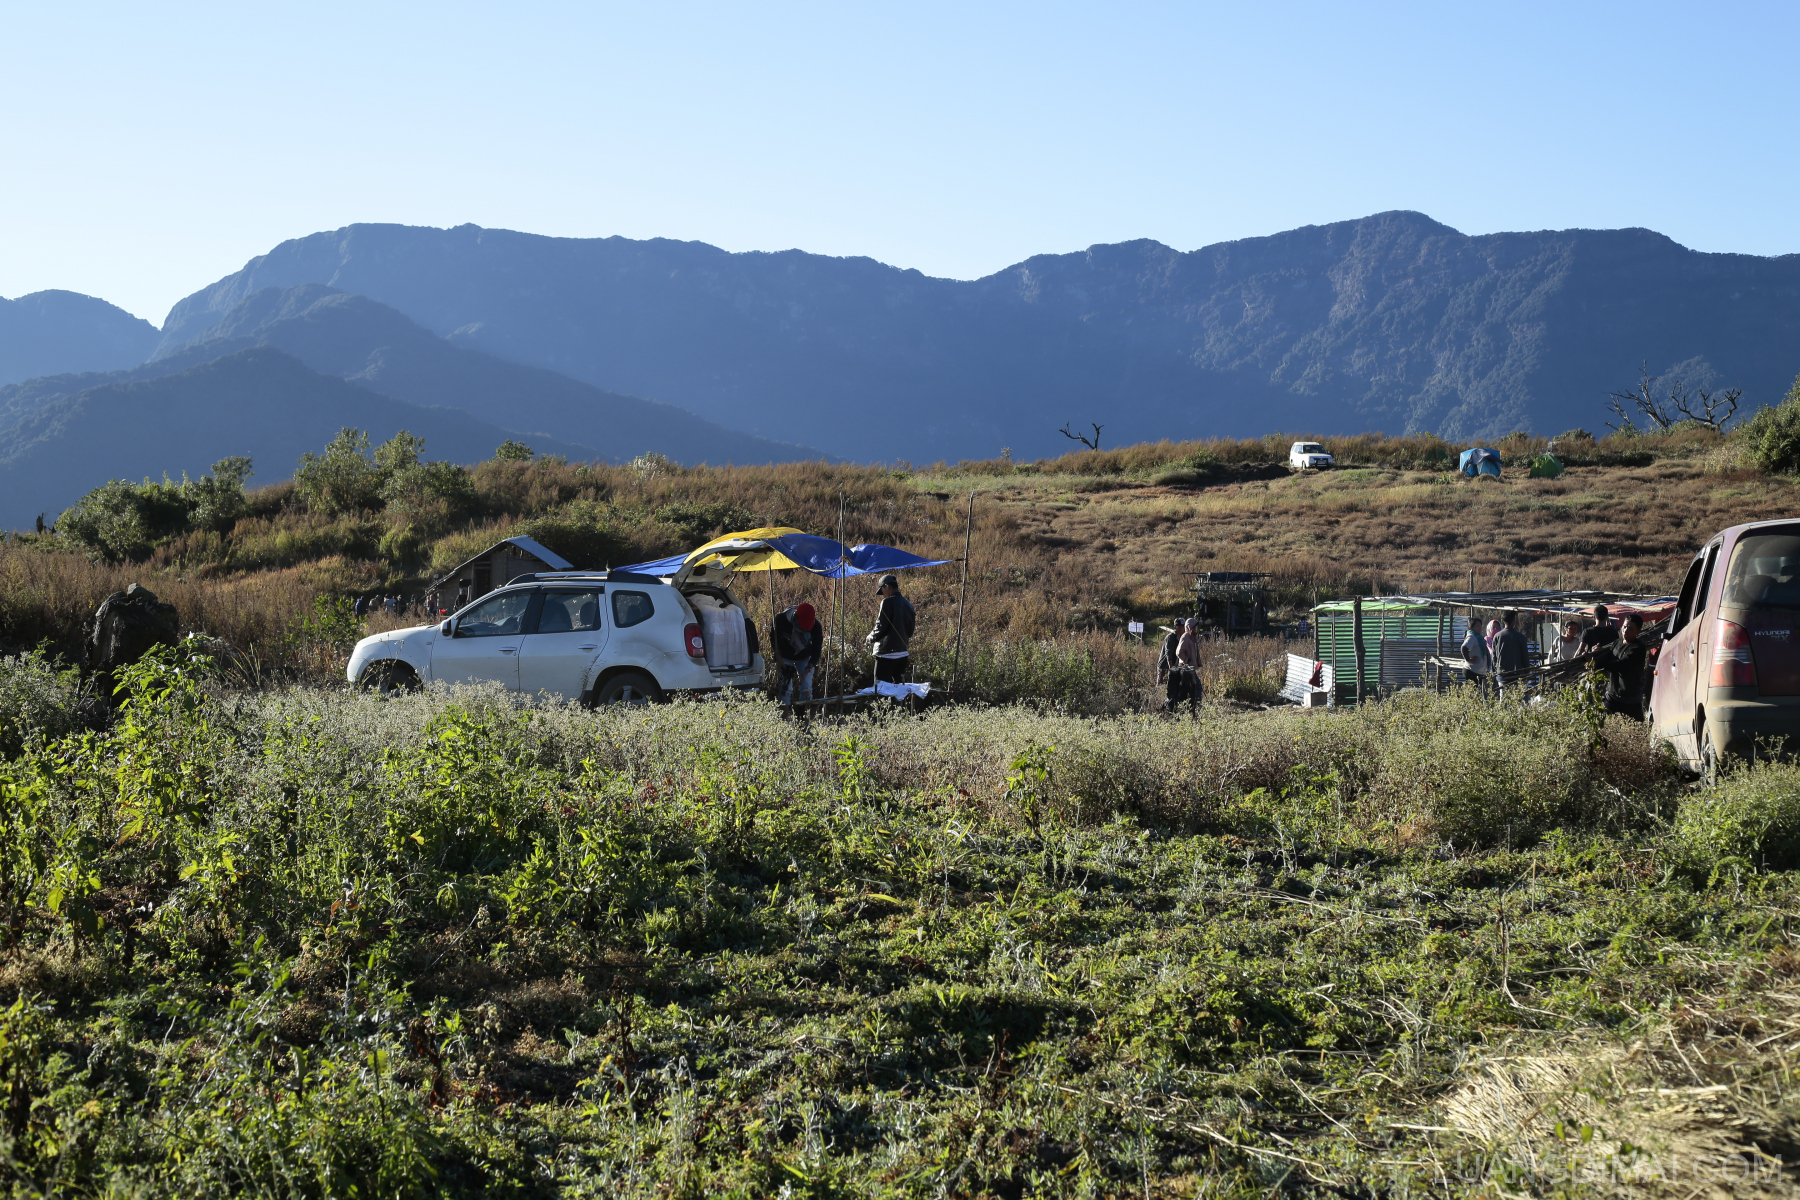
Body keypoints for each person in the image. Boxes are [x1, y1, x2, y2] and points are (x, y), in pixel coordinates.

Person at [1588, 613, 1648, 720]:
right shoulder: (1617, 642)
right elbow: (1608, 657)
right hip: (1612, 694)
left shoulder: (1638, 648)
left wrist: (1595, 662)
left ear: (1638, 631)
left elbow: (1620, 665)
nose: (1626, 630)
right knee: (1606, 724)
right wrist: (1596, 653)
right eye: (1624, 626)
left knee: (1634, 726)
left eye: (1630, 628)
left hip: (1630, 697)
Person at [866, 574, 915, 685]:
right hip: (903, 653)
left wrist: (870, 638)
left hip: (886, 653)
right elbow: (910, 631)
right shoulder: (908, 604)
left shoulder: (887, 602)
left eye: (882, 590)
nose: (883, 594)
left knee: (881, 689)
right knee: (899, 689)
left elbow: (880, 627)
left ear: (887, 586)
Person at [773, 601, 822, 708]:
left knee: (806, 688)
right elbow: (774, 638)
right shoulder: (781, 620)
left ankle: (804, 715)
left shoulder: (816, 626)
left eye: (807, 627)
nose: (805, 629)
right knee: (784, 688)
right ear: (795, 618)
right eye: (803, 626)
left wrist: (808, 669)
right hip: (785, 655)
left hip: (805, 656)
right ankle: (785, 716)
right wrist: (779, 657)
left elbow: (817, 650)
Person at [1156, 618, 1202, 714]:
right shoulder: (1171, 637)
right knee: (1161, 686)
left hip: (1176, 667)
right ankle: (1157, 704)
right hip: (1165, 666)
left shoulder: (1184, 637)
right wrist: (1172, 668)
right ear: (1177, 627)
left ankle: (1174, 707)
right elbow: (1169, 654)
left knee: (1174, 689)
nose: (1183, 628)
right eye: (1181, 626)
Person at [1492, 610, 1530, 699]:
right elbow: (1525, 657)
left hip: (1502, 676)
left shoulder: (1497, 636)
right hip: (1518, 675)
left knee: (1504, 700)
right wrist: (1527, 672)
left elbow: (1494, 657)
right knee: (1522, 701)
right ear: (1514, 620)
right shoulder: (1520, 637)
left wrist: (1496, 671)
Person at [1460, 616, 1492, 689]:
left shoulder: (1479, 638)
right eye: (1477, 626)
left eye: (1480, 626)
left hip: (1478, 671)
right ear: (1472, 627)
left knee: (1478, 693)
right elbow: (1464, 648)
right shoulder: (1472, 637)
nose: (1480, 628)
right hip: (1472, 671)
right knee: (1474, 693)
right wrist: (1468, 659)